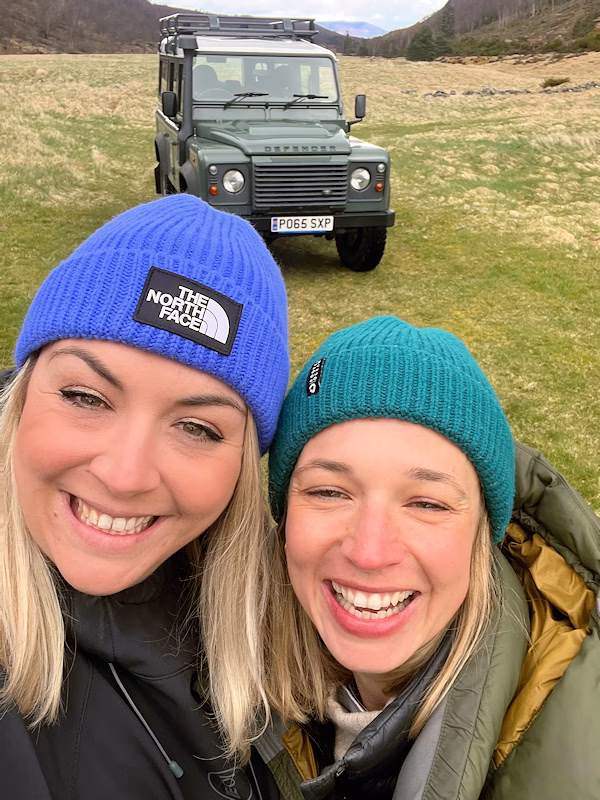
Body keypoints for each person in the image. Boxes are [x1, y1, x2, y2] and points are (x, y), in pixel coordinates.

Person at [0, 194, 289, 799]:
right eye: (85, 397)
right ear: (21, 396)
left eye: (197, 428)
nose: (125, 476)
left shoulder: (284, 629)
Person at [254, 316, 600, 800]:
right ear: (285, 518)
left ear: (483, 534)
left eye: (427, 504)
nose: (369, 552)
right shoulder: (228, 675)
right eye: (329, 492)